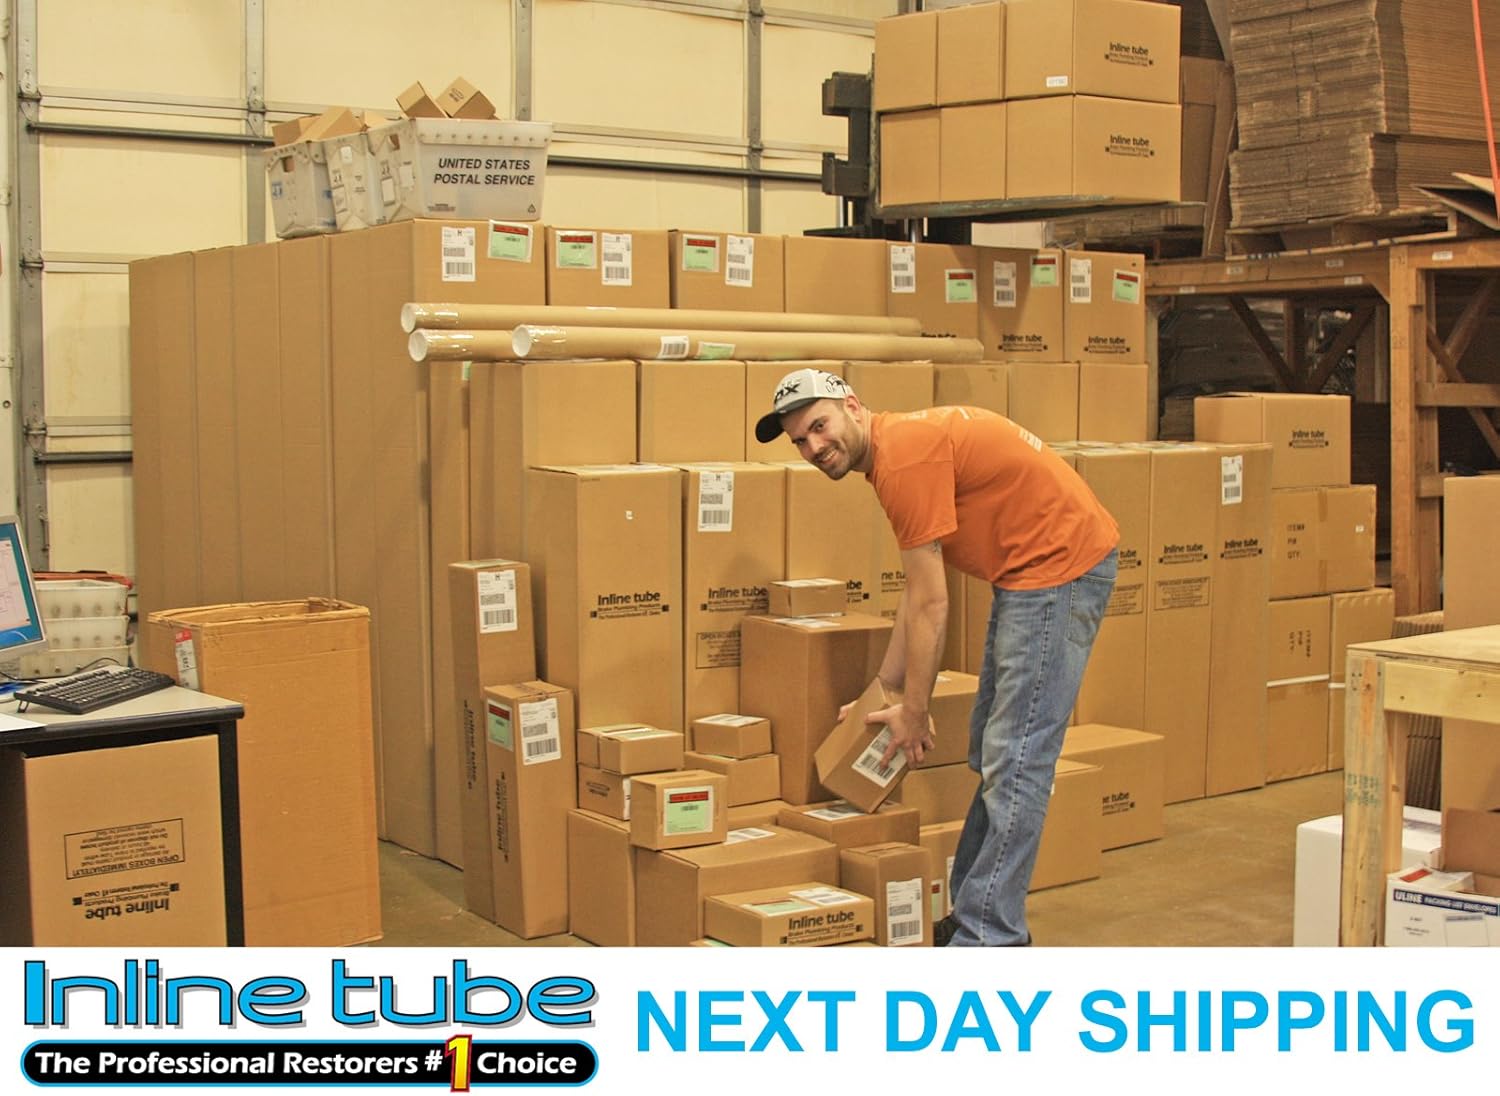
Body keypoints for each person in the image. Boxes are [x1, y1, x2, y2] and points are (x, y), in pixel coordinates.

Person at [755, 368, 1119, 947]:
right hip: (1029, 575)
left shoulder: (903, 460)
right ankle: (975, 914)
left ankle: (991, 936)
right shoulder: (894, 453)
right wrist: (885, 689)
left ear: (852, 406)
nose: (814, 447)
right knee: (993, 752)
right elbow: (915, 591)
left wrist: (915, 710)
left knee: (1017, 759)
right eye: (800, 440)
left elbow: (932, 604)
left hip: (1058, 570)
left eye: (819, 426)